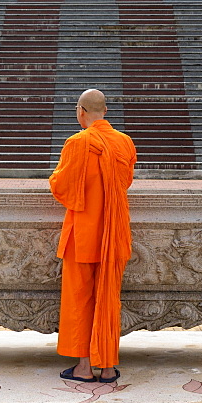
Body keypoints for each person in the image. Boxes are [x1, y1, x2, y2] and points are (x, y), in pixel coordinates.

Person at [49, 88, 137, 383]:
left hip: (84, 233)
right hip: (114, 231)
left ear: (80, 111)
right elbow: (123, 184)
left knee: (80, 299)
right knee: (108, 297)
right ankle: (108, 366)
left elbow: (62, 187)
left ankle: (84, 367)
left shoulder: (77, 142)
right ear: (106, 112)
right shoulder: (125, 143)